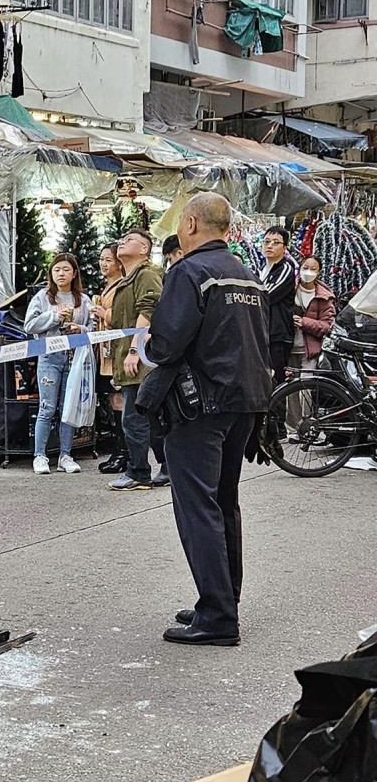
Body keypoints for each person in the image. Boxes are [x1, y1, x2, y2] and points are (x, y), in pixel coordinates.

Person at [138, 191, 271, 647]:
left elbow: (166, 343)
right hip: (246, 403)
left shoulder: (189, 272)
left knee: (198, 506)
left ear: (191, 224)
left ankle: (217, 616)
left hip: (200, 407)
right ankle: (222, 600)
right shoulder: (246, 275)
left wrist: (148, 348)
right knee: (223, 502)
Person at [24, 252, 91, 475]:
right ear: (51, 274)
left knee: (68, 408)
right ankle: (40, 455)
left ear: (74, 274)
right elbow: (29, 325)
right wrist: (54, 317)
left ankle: (66, 454)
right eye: (56, 270)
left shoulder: (84, 300)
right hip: (49, 358)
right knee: (47, 407)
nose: (61, 274)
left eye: (66, 270)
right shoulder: (42, 297)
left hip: (75, 359)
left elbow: (94, 329)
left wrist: (79, 329)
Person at [109, 229, 163, 490]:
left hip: (141, 359)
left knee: (133, 418)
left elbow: (149, 310)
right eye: (122, 239)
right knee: (149, 418)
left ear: (144, 249)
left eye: (129, 240)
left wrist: (134, 350)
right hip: (130, 357)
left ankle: (139, 472)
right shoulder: (127, 279)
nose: (122, 242)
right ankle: (166, 469)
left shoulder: (147, 275)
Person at [287, 256, 335, 439]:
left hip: (310, 350)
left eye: (312, 269)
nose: (308, 271)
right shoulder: (289, 289)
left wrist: (304, 322)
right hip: (289, 347)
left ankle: (308, 425)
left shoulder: (323, 296)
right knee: (290, 390)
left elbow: (326, 325)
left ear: (319, 272)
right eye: (305, 267)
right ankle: (294, 428)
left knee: (306, 388)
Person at [91, 243, 126, 476]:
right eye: (101, 259)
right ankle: (119, 449)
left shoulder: (123, 286)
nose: (104, 264)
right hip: (105, 353)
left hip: (118, 352)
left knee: (120, 400)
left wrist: (105, 315)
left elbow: (126, 317)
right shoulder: (106, 287)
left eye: (108, 260)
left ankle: (125, 452)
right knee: (112, 400)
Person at [259, 226, 297, 385]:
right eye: (267, 242)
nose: (269, 246)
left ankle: (276, 411)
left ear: (284, 248)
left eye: (275, 243)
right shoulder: (264, 269)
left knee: (276, 381)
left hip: (278, 335)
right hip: (265, 333)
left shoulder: (285, 269)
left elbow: (266, 296)